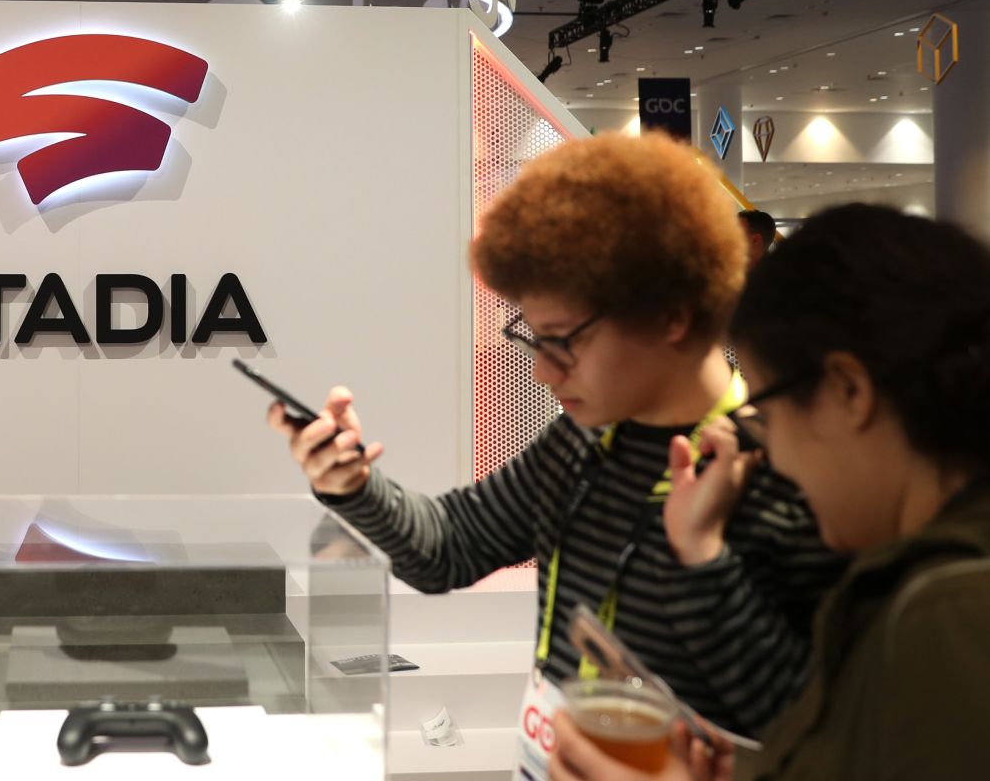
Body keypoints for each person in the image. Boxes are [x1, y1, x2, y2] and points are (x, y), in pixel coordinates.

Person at [267, 132, 845, 754]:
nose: (543, 371)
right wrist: (350, 485)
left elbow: (809, 720)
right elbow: (449, 547)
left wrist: (703, 562)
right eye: (531, 336)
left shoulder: (787, 473)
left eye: (564, 339)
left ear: (671, 316)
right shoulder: (580, 442)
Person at [548, 203, 990, 781]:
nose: (769, 449)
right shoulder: (922, 578)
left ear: (847, 391)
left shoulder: (949, 608)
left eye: (766, 410)